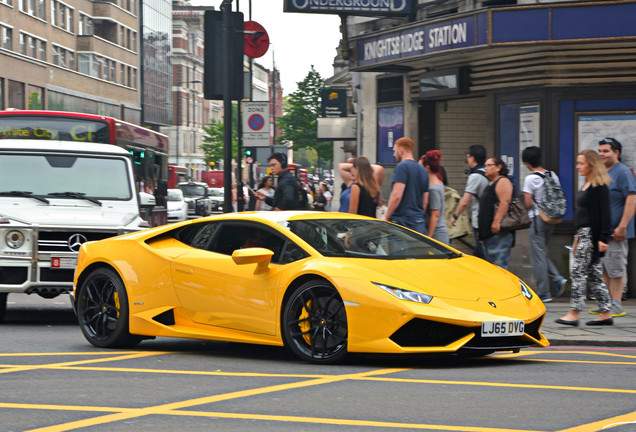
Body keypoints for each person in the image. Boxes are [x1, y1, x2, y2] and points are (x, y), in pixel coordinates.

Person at [556, 150, 613, 326]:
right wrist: (576, 237)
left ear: (591, 164)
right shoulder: (586, 184)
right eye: (577, 162)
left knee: (578, 272)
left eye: (581, 163)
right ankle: (606, 312)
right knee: (594, 275)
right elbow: (583, 214)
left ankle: (574, 313)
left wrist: (603, 238)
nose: (577, 166)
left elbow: (605, 215)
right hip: (583, 234)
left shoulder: (598, 186)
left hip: (591, 235)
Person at [595, 138, 636, 317]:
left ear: (616, 153)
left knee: (617, 268)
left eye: (606, 151)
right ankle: (606, 304)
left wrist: (623, 225)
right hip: (603, 231)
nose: (602, 154)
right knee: (604, 268)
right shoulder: (603, 171)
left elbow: (631, 198)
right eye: (600, 151)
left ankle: (617, 303)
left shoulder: (623, 172)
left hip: (616, 231)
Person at [521, 146, 568, 303]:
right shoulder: (552, 174)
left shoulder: (530, 179)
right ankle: (557, 279)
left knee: (538, 256)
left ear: (527, 162)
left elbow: (528, 203)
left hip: (537, 219)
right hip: (551, 218)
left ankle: (544, 292)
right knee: (541, 253)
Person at [383, 137, 429, 234]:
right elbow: (425, 201)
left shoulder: (402, 167)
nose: (394, 154)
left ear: (401, 150)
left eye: (395, 151)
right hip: (418, 223)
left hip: (402, 222)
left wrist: (387, 216)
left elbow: (396, 195)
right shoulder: (423, 170)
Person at [450, 145, 489, 258]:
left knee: (481, 255)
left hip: (480, 221)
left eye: (468, 156)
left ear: (472, 158)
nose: (466, 160)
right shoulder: (487, 172)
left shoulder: (475, 176)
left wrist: (455, 216)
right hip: (489, 219)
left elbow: (465, 201)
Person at [477, 157, 515, 269]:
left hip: (498, 234)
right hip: (488, 234)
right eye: (485, 166)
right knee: (492, 268)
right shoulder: (490, 183)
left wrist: (496, 222)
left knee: (500, 268)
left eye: (489, 165)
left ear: (498, 167)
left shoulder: (503, 181)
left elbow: (505, 202)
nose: (485, 168)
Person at [420, 150, 450, 244]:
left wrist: (429, 237)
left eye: (421, 166)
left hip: (437, 234)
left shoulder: (433, 189)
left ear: (427, 168)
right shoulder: (439, 182)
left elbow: (435, 215)